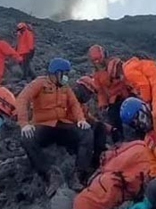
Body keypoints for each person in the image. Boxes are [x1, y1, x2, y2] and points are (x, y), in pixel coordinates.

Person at [17, 58, 93, 196]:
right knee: (26, 139)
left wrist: (81, 120)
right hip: (43, 126)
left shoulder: (65, 86)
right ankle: (49, 174)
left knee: (86, 133)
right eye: (65, 73)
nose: (66, 76)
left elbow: (74, 104)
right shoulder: (39, 83)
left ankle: (79, 173)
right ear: (56, 73)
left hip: (61, 124)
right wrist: (24, 124)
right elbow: (22, 99)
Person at [73, 140, 156, 209]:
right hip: (113, 187)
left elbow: (112, 153)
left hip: (103, 177)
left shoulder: (139, 144)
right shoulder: (153, 163)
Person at [88, 45, 132, 142]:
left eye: (99, 59)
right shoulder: (97, 74)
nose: (97, 62)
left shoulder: (115, 63)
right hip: (114, 100)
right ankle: (119, 141)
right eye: (94, 60)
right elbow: (101, 91)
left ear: (104, 56)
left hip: (126, 95)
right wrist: (102, 104)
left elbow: (127, 77)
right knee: (113, 119)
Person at [72, 76, 113, 170]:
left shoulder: (81, 105)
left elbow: (89, 118)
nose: (89, 97)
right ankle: (82, 169)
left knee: (99, 128)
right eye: (89, 93)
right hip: (67, 131)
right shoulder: (68, 99)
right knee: (88, 134)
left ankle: (96, 160)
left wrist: (109, 128)